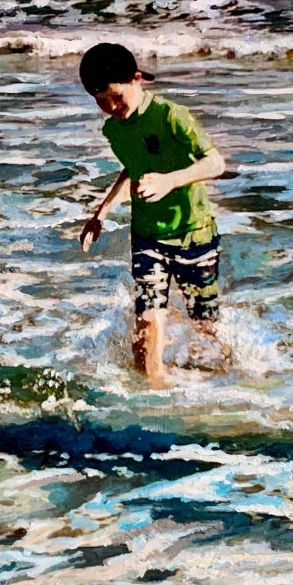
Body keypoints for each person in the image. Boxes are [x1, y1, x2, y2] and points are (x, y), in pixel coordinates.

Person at [78, 43, 227, 384]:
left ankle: (222, 385)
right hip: (147, 236)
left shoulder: (171, 116)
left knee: (204, 328)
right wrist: (100, 214)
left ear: (137, 79)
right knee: (147, 324)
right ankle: (154, 394)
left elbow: (216, 163)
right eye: (101, 101)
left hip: (194, 233)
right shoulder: (114, 130)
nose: (111, 108)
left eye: (116, 96)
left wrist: (169, 181)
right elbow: (131, 169)